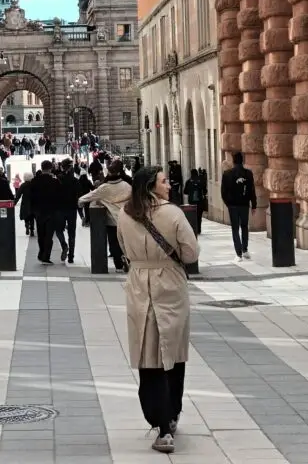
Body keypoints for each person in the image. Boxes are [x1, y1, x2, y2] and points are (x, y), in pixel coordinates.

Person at [117, 166, 199, 453]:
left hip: (140, 282)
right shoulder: (173, 213)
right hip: (171, 285)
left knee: (148, 352)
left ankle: (160, 423)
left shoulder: (125, 214)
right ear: (152, 186)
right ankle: (172, 415)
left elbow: (123, 248)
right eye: (164, 181)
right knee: (174, 352)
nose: (169, 185)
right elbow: (191, 253)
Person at [78, 159, 132, 272]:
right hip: (127, 219)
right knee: (127, 241)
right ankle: (127, 258)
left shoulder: (104, 188)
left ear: (109, 173)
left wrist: (80, 201)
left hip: (112, 220)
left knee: (113, 242)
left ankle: (118, 265)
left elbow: (88, 196)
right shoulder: (127, 186)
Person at [221, 153, 256, 260]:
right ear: (242, 160)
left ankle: (238, 254)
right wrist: (254, 205)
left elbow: (223, 192)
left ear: (233, 161)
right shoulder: (248, 174)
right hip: (244, 205)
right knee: (244, 227)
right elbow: (251, 190)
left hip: (233, 206)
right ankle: (245, 250)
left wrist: (228, 204)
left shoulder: (227, 174)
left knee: (235, 229)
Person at [30, 160, 61, 264]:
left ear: (42, 168)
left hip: (39, 211)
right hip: (51, 211)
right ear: (51, 168)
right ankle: (45, 256)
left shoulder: (34, 181)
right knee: (49, 235)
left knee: (41, 233)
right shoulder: (55, 181)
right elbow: (59, 196)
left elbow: (31, 196)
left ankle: (41, 251)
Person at [57, 159, 80, 263]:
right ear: (70, 168)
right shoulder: (75, 181)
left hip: (60, 208)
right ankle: (71, 256)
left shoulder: (58, 180)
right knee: (72, 233)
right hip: (72, 209)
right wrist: (81, 214)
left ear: (62, 167)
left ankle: (63, 245)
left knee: (58, 230)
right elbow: (78, 196)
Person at [16, 171, 35, 236]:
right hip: (33, 203)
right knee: (32, 217)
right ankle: (32, 230)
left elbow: (18, 194)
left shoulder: (23, 185)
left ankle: (27, 226)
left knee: (26, 216)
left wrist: (14, 202)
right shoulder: (34, 185)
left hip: (25, 203)